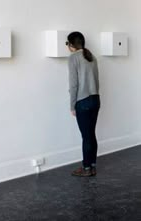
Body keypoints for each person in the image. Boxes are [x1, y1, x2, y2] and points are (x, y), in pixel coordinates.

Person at [66, 32, 100, 177]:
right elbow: (97, 80)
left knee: (86, 137)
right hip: (95, 99)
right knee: (91, 135)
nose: (67, 47)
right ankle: (92, 166)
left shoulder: (73, 58)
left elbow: (74, 84)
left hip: (83, 101)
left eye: (67, 44)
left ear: (72, 44)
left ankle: (86, 168)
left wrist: (72, 105)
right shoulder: (92, 56)